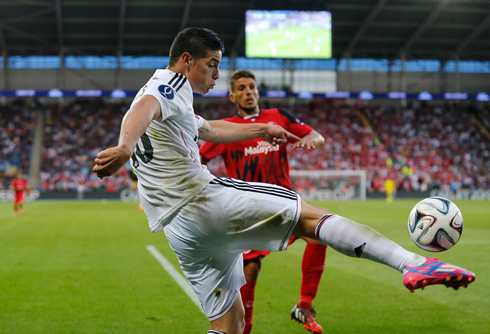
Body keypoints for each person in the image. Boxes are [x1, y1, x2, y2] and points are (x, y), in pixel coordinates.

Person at [93, 27, 476, 334]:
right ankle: (412, 264)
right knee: (313, 218)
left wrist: (262, 128)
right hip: (204, 201)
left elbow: (209, 129)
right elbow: (143, 110)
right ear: (187, 59)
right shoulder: (169, 85)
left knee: (230, 324)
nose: (215, 73)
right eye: (212, 65)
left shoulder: (176, 102)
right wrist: (124, 145)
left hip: (181, 232)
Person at [200, 69, 327, 334]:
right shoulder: (227, 129)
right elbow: (198, 161)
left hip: (284, 203)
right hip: (249, 211)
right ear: (233, 95)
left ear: (258, 91)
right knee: (250, 272)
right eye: (242, 88)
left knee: (320, 232)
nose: (249, 92)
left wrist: (310, 141)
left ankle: (304, 306)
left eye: (252, 87)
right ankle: (244, 330)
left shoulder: (278, 117)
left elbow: (316, 135)